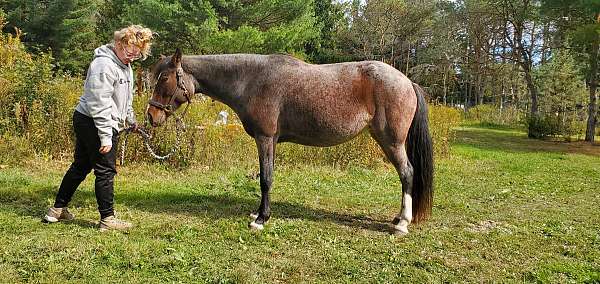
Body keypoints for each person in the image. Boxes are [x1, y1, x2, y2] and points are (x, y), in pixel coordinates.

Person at [43, 25, 153, 231]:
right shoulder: (103, 65)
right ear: (119, 44)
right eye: (129, 53)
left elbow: (124, 98)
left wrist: (130, 119)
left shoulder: (125, 66)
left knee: (81, 166)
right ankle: (107, 219)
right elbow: (99, 104)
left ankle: (57, 210)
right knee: (105, 170)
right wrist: (105, 137)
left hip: (98, 120)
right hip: (93, 121)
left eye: (137, 56)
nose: (131, 58)